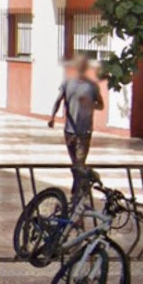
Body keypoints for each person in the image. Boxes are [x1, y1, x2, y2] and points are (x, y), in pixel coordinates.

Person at [48, 56, 105, 206]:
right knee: (75, 164)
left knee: (79, 163)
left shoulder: (92, 86)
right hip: (69, 131)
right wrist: (52, 117)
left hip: (84, 131)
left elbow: (101, 105)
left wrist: (90, 104)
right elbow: (58, 100)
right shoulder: (68, 83)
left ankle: (78, 195)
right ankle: (82, 186)